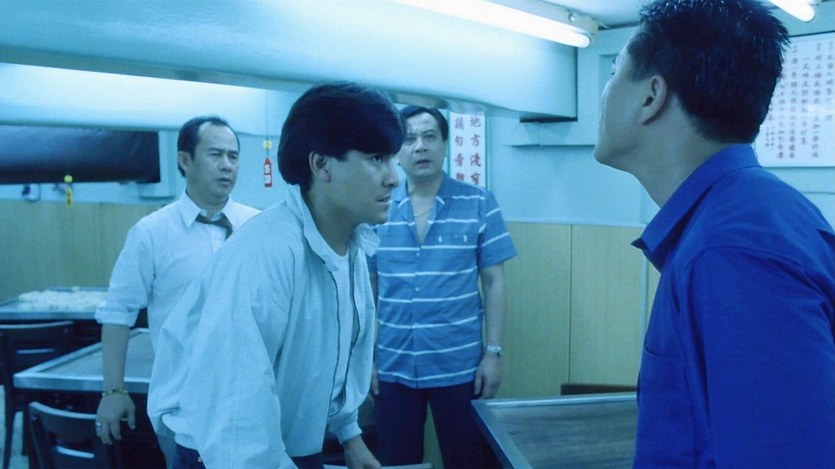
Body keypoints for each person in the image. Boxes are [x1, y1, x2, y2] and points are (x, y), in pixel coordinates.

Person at [594, 0, 835, 467]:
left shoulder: (733, 250)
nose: (604, 93)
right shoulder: (748, 217)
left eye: (614, 72)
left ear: (651, 96)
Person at [147, 82, 403, 468]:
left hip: (286, 447)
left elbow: (331, 359)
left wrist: (349, 434)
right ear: (321, 165)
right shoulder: (266, 254)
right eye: (376, 159)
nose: (393, 177)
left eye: (391, 159)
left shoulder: (349, 243)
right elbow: (238, 419)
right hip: (226, 456)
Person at [94, 116, 259, 461]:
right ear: (185, 160)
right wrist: (113, 390)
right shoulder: (152, 233)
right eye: (215, 154)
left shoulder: (257, 227)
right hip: (182, 409)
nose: (227, 165)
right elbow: (118, 311)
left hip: (253, 404)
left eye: (233, 156)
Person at [370, 106, 516, 468]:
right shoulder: (377, 206)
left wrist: (493, 354)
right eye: (409, 139)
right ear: (396, 151)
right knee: (397, 462)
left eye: (430, 136)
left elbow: (494, 282)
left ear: (445, 145)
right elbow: (367, 289)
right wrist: (365, 360)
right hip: (392, 365)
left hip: (459, 365)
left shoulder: (479, 202)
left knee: (466, 460)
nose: (420, 146)